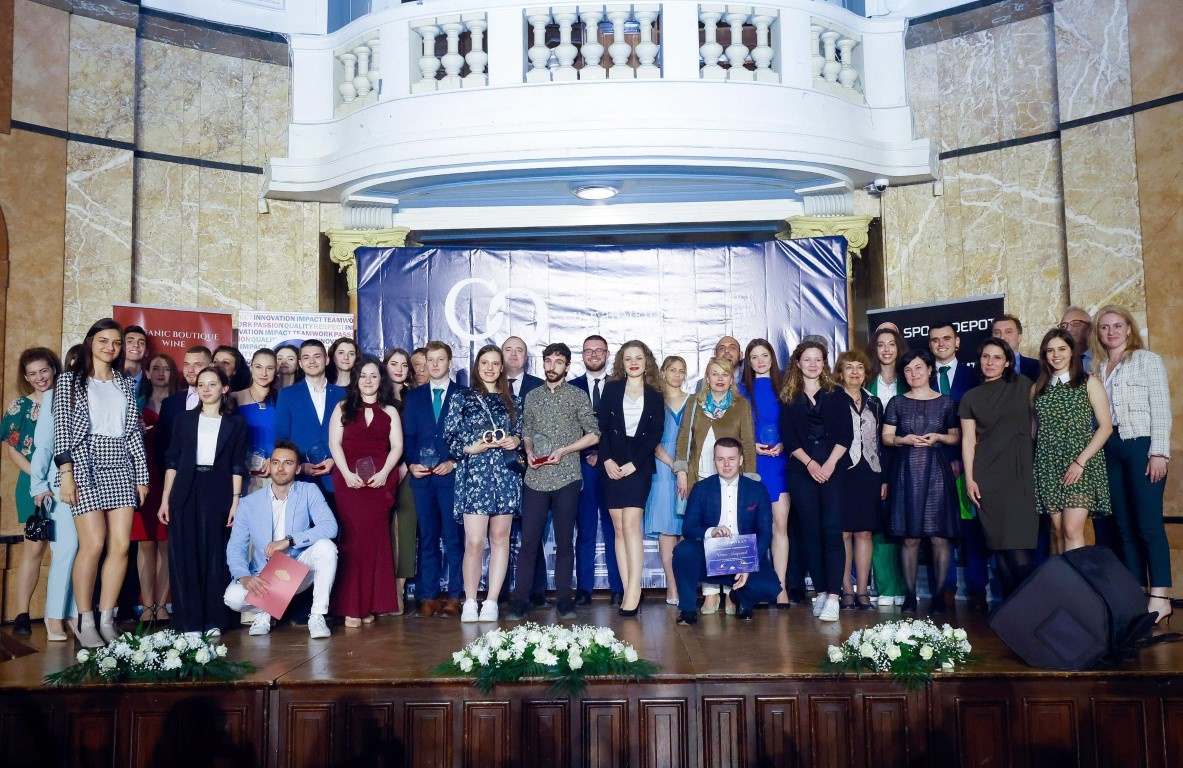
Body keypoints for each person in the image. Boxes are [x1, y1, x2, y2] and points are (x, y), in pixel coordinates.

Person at [53, 319, 150, 647]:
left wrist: (141, 477)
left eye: (117, 342)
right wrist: (66, 474)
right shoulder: (69, 380)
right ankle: (85, 620)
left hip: (121, 462)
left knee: (120, 545)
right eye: (104, 341)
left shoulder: (124, 382)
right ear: (90, 342)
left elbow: (133, 431)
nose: (111, 347)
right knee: (93, 544)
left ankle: (107, 619)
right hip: (85, 462)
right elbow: (62, 430)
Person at [1093, 305, 1173, 626]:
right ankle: (1135, 593)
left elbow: (1161, 407)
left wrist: (1159, 453)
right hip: (1109, 449)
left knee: (1148, 524)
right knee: (1123, 526)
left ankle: (1161, 597)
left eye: (1117, 325)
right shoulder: (1098, 368)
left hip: (1141, 446)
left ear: (1129, 328)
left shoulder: (1146, 360)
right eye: (1104, 327)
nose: (1111, 332)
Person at [509, 342, 600, 620]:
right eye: (548, 361)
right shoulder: (533, 396)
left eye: (558, 362)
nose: (552, 366)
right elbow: (526, 431)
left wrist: (566, 450)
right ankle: (520, 601)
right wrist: (528, 449)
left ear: (567, 366)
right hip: (536, 477)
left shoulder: (577, 395)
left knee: (564, 542)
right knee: (528, 542)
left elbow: (593, 434)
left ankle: (564, 601)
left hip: (567, 477)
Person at [157, 366, 246, 635]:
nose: (206, 389)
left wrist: (236, 501)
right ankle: (190, 621)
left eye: (212, 384)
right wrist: (165, 499)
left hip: (218, 490)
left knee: (215, 553)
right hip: (185, 488)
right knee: (184, 554)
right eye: (201, 384)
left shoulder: (236, 423)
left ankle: (214, 620)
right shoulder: (183, 419)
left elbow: (237, 465)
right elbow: (172, 461)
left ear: (224, 388)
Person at [224, 441, 336, 639]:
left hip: (299, 569)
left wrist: (289, 540)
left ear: (298, 468)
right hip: (265, 576)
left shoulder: (309, 491)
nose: (281, 468)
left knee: (326, 547)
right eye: (276, 462)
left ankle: (317, 616)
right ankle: (263, 610)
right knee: (232, 598)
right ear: (269, 465)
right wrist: (243, 576)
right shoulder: (249, 503)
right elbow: (236, 547)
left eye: (288, 463)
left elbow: (330, 527)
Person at [444, 345, 522, 623]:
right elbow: (450, 437)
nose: (490, 368)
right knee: (475, 541)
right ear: (477, 367)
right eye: (484, 363)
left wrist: (515, 441)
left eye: (495, 363)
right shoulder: (462, 398)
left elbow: (521, 435)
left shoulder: (513, 401)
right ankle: (470, 600)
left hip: (504, 475)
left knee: (500, 539)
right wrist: (469, 448)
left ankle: (491, 601)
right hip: (475, 476)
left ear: (502, 368)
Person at [674, 356, 757, 614]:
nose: (720, 379)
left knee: (731, 531)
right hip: (699, 477)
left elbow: (748, 442)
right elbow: (683, 438)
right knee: (706, 534)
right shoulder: (694, 403)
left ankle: (731, 591)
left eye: (725, 374)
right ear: (707, 379)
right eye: (714, 374)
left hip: (731, 477)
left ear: (731, 379)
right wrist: (681, 472)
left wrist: (750, 478)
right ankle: (710, 592)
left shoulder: (741, 405)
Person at [882, 348, 961, 615]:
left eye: (918, 367)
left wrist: (938, 437)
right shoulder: (897, 403)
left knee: (939, 537)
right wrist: (902, 439)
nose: (913, 373)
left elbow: (956, 436)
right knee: (910, 538)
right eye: (908, 369)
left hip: (937, 472)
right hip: (906, 472)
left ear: (929, 370)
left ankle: (939, 597)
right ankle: (909, 596)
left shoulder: (947, 402)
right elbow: (886, 437)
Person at [959, 338, 1039, 599]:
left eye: (997, 357)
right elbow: (968, 441)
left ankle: (1030, 609)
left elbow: (1038, 422)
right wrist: (970, 479)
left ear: (1007, 362)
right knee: (1000, 549)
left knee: (1019, 551)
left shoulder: (1024, 385)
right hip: (987, 476)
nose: (990, 362)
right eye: (985, 357)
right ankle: (1011, 609)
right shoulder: (970, 397)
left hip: (1020, 473)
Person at [779, 340, 851, 622]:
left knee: (832, 529)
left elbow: (846, 435)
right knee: (809, 532)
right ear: (798, 363)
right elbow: (789, 438)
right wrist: (810, 464)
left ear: (824, 363)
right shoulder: (789, 396)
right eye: (807, 359)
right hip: (802, 470)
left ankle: (834, 596)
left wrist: (829, 464)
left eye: (818, 359)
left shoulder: (837, 394)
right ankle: (820, 591)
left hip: (833, 468)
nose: (812, 364)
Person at [672, 438, 781, 625]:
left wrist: (748, 563)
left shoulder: (757, 489)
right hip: (710, 553)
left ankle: (740, 598)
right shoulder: (701, 489)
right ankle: (688, 610)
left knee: (770, 589)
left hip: (743, 553)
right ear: (714, 461)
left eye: (731, 459)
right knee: (683, 551)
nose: (726, 464)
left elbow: (765, 533)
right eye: (720, 459)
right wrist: (711, 531)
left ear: (740, 460)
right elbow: (688, 528)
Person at [328, 355, 403, 626]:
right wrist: (347, 475)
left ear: (381, 380)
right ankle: (353, 608)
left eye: (373, 375)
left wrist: (384, 473)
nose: (368, 380)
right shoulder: (342, 407)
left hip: (379, 484)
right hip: (350, 484)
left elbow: (397, 446)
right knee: (354, 542)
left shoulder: (391, 410)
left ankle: (369, 605)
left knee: (375, 543)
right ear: (355, 379)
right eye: (363, 376)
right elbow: (334, 444)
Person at [597, 340, 665, 617]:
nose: (634, 362)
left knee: (630, 525)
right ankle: (628, 589)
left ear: (646, 361)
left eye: (638, 357)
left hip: (639, 465)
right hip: (612, 464)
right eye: (628, 358)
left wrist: (634, 463)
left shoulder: (655, 394)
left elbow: (655, 433)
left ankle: (635, 590)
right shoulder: (611, 389)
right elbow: (601, 428)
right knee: (618, 527)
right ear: (621, 363)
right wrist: (607, 460)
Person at [1032, 328, 1112, 553]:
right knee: (1058, 532)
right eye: (1050, 351)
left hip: (1080, 464)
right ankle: (1065, 577)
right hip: (1048, 466)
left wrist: (1080, 462)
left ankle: (1078, 577)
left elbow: (1105, 427)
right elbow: (1034, 431)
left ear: (1072, 352)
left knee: (1071, 530)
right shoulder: (1037, 389)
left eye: (1062, 349)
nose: (1056, 355)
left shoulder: (1089, 382)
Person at [403, 341, 465, 617]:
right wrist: (411, 464)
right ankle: (428, 595)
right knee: (427, 537)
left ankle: (455, 595)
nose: (435, 364)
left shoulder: (463, 395)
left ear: (450, 363)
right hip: (423, 479)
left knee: (453, 538)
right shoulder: (414, 397)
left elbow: (468, 436)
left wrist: (453, 462)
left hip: (451, 478)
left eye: (441, 359)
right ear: (425, 364)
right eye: (431, 360)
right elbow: (408, 436)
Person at [4, 347, 61, 635]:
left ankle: (60, 614)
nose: (40, 377)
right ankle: (22, 614)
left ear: (54, 369)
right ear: (26, 377)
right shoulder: (19, 407)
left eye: (44, 370)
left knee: (65, 550)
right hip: (32, 485)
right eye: (33, 373)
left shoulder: (67, 402)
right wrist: (40, 479)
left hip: (66, 483)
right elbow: (13, 451)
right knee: (35, 548)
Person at [927, 321, 983, 610]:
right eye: (935, 340)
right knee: (940, 531)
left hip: (969, 465)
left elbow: (980, 421)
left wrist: (963, 460)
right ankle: (944, 589)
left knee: (972, 530)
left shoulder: (974, 375)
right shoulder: (921, 376)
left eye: (946, 338)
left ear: (957, 342)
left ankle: (977, 590)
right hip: (933, 467)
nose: (941, 344)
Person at [570, 335, 623, 605]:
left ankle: (619, 588)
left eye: (598, 350)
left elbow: (623, 428)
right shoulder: (571, 388)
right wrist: (586, 454)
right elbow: (566, 430)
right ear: (582, 355)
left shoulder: (620, 386)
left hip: (614, 466)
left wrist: (602, 454)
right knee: (586, 529)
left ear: (607, 354)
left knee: (616, 529)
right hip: (582, 467)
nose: (593, 355)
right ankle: (584, 589)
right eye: (588, 351)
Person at [738, 339, 790, 607]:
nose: (760, 361)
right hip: (752, 463)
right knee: (752, 529)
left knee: (780, 525)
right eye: (754, 357)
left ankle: (780, 588)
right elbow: (734, 428)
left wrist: (785, 443)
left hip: (779, 463)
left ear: (772, 357)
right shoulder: (740, 391)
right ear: (748, 361)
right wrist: (750, 446)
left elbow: (794, 423)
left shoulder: (786, 387)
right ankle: (753, 587)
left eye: (764, 355)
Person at [834, 349, 885, 610]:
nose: (855, 372)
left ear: (865, 374)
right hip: (840, 472)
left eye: (859, 368)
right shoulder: (831, 400)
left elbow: (881, 443)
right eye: (849, 367)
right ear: (840, 373)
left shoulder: (875, 402)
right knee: (843, 533)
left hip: (869, 473)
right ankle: (846, 590)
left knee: (864, 532)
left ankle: (863, 591)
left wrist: (884, 478)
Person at [500, 334, 546, 607]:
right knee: (500, 533)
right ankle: (500, 590)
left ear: (526, 357)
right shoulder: (489, 385)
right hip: (499, 471)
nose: (514, 354)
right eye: (509, 349)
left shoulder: (539, 386)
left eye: (519, 350)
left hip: (533, 468)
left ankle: (536, 590)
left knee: (532, 530)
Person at [30, 383, 79, 641]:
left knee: (86, 550)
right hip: (58, 483)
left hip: (92, 482)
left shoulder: (99, 390)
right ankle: (54, 615)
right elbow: (44, 446)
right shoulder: (55, 395)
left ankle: (75, 613)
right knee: (67, 548)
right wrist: (38, 484)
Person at [274, 340, 345, 503]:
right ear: (300, 363)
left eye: (317, 356)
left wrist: (335, 460)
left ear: (327, 360)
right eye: (306, 357)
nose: (312, 361)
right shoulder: (287, 395)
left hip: (337, 477)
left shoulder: (343, 394)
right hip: (301, 478)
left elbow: (351, 435)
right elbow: (281, 437)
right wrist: (299, 465)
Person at [867, 323, 907, 607]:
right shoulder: (867, 382)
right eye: (881, 345)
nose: (886, 350)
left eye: (891, 344)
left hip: (906, 459)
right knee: (879, 524)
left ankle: (904, 586)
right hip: (873, 461)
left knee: (903, 524)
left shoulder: (910, 378)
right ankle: (885, 587)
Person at [134, 354, 177, 623]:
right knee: (146, 542)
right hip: (145, 478)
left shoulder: (184, 403)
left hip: (173, 478)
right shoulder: (136, 403)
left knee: (167, 544)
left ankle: (162, 605)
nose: (161, 372)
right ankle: (147, 605)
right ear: (147, 374)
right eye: (155, 368)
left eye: (166, 368)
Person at [645, 355, 690, 605]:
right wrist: (674, 466)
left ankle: (686, 586)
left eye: (681, 371)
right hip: (662, 470)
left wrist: (685, 468)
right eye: (672, 370)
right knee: (667, 529)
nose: (677, 375)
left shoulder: (694, 401)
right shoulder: (654, 401)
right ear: (663, 372)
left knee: (688, 530)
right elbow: (649, 439)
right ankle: (672, 588)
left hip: (690, 468)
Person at [383, 346, 417, 606]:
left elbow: (418, 435)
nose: (399, 369)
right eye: (394, 364)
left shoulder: (413, 398)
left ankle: (399, 590)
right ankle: (381, 589)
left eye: (404, 365)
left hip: (407, 471)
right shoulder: (374, 396)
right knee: (380, 529)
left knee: (405, 528)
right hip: (378, 472)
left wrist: (405, 464)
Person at [155, 346, 213, 470]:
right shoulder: (169, 404)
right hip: (177, 476)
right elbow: (161, 447)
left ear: (211, 367)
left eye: (197, 365)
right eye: (186, 365)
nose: (190, 370)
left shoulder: (226, 403)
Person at [233, 349, 279, 495]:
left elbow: (289, 435)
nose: (263, 373)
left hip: (276, 473)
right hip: (243, 474)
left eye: (269, 368)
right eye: (259, 367)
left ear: (276, 370)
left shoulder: (284, 399)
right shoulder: (234, 398)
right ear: (251, 367)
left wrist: (276, 458)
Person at [992, 314, 1040, 379]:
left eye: (1008, 332)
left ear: (1019, 337)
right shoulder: (983, 368)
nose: (1002, 337)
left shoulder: (1038, 367)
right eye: (997, 332)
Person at [1060, 306, 1093, 372]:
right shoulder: (1056, 359)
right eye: (1064, 326)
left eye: (1076, 324)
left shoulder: (1104, 357)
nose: (1068, 329)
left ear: (1090, 327)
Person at [122, 325, 150, 399]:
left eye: (141, 343)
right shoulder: (111, 378)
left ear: (146, 351)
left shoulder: (151, 384)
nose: (136, 345)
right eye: (130, 341)